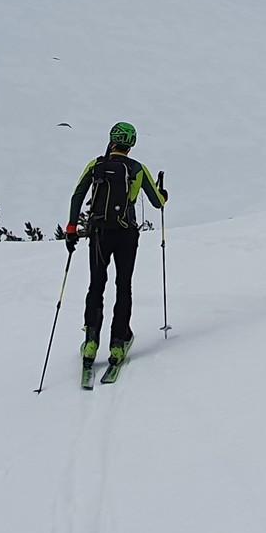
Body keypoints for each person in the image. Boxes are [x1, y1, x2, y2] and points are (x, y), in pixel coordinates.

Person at [65, 121, 168, 375]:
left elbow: (77, 195)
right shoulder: (137, 169)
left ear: (112, 140)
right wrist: (163, 192)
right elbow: (157, 202)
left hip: (99, 234)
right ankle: (118, 344)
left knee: (96, 285)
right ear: (131, 144)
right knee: (123, 286)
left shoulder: (96, 165)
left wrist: (71, 228)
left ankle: (90, 343)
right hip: (126, 235)